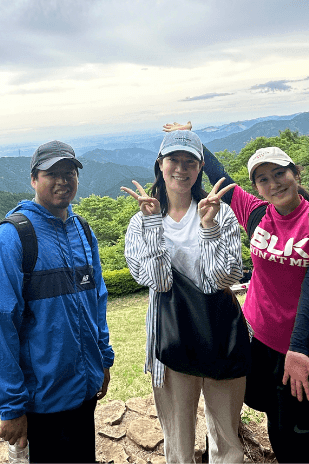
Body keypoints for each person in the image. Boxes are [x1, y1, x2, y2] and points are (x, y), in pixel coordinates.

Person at [164, 122, 309, 464]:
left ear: (296, 173)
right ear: (256, 187)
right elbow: (216, 173)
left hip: (306, 351)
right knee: (277, 429)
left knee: (301, 446)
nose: (273, 183)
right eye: (263, 179)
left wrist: (298, 350)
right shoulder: (256, 213)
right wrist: (190, 139)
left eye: (279, 173)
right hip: (261, 344)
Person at [0, 140, 114, 464]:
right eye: (52, 173)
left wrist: (104, 359)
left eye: (69, 172)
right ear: (33, 179)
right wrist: (11, 408)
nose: (62, 180)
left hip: (84, 393)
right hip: (42, 405)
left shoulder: (82, 230)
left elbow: (97, 300)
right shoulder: (12, 237)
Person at [121, 130, 248, 464]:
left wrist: (208, 227)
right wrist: (152, 227)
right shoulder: (140, 223)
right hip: (172, 338)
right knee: (178, 444)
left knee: (227, 440)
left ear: (201, 167)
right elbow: (160, 282)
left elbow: (223, 279)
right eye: (173, 160)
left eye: (189, 161)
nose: (181, 168)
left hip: (221, 334)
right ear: (160, 166)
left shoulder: (221, 214)